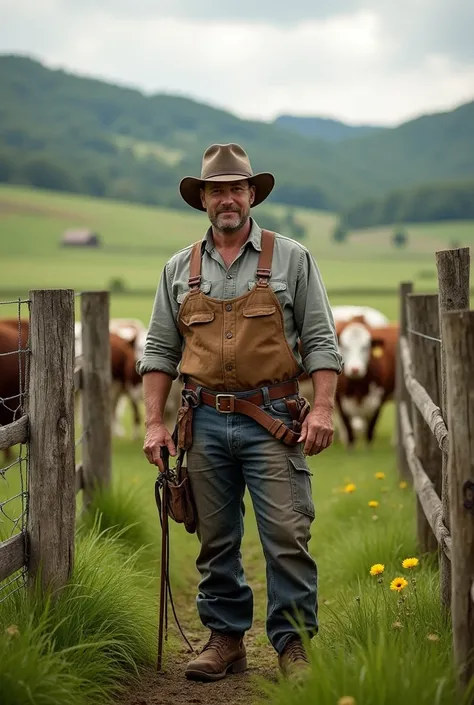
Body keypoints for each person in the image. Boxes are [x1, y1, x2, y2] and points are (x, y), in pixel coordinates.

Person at [137, 143, 343, 683]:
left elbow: (321, 340)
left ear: (252, 194)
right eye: (215, 190)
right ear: (201, 199)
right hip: (200, 421)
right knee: (215, 538)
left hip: (275, 420)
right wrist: (155, 422)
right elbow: (159, 351)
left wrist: (322, 408)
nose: (227, 198)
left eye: (236, 188)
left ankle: (294, 645)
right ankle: (226, 639)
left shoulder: (293, 258)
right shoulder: (178, 269)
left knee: (286, 535)